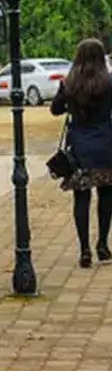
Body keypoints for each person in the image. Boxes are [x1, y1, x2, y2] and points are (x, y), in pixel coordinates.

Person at [50, 38, 112, 268]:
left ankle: (84, 249)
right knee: (106, 195)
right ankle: (103, 244)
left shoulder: (70, 84)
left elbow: (55, 110)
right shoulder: (109, 83)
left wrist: (63, 94)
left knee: (81, 197)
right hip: (106, 145)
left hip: (79, 149)